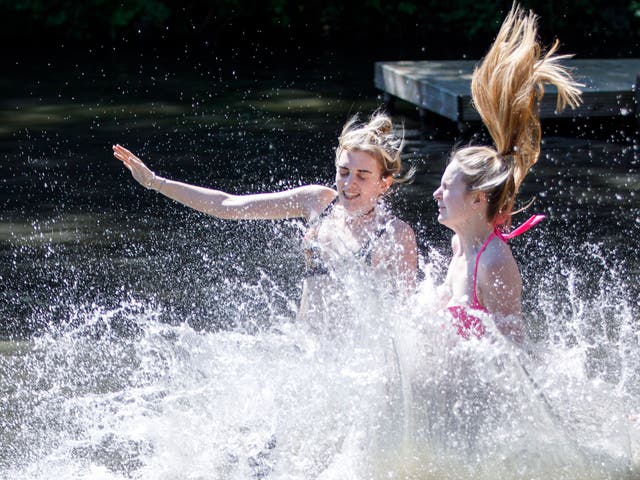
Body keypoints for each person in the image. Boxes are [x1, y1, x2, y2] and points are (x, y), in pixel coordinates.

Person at [113, 112, 418, 331]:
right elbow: (228, 205)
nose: (349, 183)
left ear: (384, 183)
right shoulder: (318, 202)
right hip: (308, 348)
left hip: (353, 361)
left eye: (363, 175)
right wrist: (155, 182)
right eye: (344, 172)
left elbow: (406, 321)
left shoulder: (394, 234)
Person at [432, 5, 582, 342]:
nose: (436, 194)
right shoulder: (460, 246)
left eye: (445, 187)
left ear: (476, 200)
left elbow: (513, 353)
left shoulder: (493, 261)